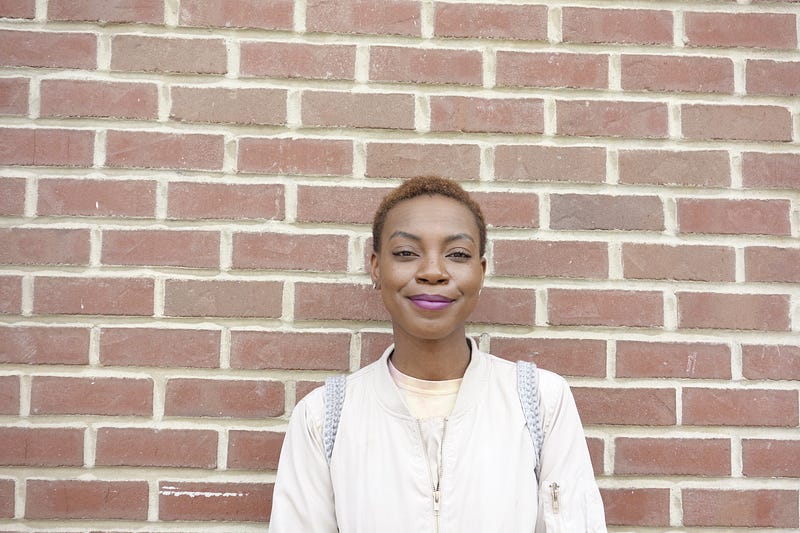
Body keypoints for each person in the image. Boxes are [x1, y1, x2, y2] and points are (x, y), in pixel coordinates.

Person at [270, 176, 606, 532]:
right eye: (406, 253)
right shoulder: (323, 418)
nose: (433, 272)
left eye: (457, 254)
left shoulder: (540, 402)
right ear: (376, 267)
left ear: (481, 272)